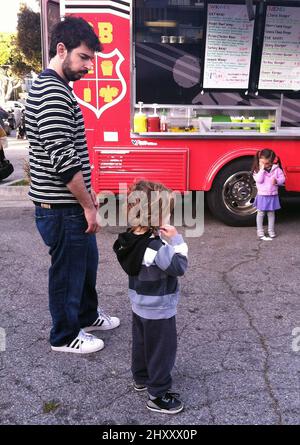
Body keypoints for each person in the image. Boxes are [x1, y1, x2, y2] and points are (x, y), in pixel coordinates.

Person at [25, 16, 120, 354]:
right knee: (67, 271)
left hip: (69, 204)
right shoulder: (52, 91)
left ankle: (86, 314)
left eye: (92, 59)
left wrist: (88, 197)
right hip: (61, 207)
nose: (89, 66)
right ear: (61, 49)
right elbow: (63, 161)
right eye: (84, 57)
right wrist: (88, 206)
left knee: (86, 262)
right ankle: (65, 336)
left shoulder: (57, 87)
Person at [113, 180, 188, 414]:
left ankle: (141, 377)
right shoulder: (156, 247)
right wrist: (176, 240)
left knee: (142, 343)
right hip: (159, 308)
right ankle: (158, 394)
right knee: (162, 350)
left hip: (139, 304)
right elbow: (179, 266)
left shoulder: (129, 239)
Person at [252, 149, 285, 240]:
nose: (265, 165)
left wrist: (277, 181)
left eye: (267, 163)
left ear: (273, 161)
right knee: (261, 213)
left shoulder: (277, 169)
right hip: (262, 195)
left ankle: (271, 230)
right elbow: (258, 180)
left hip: (272, 195)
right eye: (263, 163)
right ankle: (260, 231)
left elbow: (282, 179)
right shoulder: (257, 170)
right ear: (259, 161)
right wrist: (262, 169)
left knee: (271, 213)